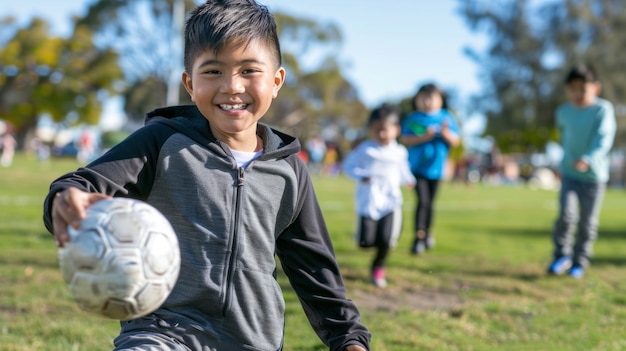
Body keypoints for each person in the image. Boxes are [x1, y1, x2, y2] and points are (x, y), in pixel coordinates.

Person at [42, 1, 370, 350]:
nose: (231, 86)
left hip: (252, 342)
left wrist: (349, 339)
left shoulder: (289, 171)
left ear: (276, 81)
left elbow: (314, 271)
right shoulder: (162, 142)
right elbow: (80, 186)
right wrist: (67, 201)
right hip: (162, 331)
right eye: (213, 71)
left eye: (248, 71)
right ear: (189, 83)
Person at [547, 63, 616, 279]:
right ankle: (561, 256)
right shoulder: (563, 112)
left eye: (582, 88)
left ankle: (579, 262)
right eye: (573, 88)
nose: (577, 93)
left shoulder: (602, 110)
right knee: (565, 216)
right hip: (569, 173)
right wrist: (565, 160)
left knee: (587, 223)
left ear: (595, 87)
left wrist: (588, 158)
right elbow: (562, 137)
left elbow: (603, 139)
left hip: (594, 177)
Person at [343, 104, 415, 288]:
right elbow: (348, 166)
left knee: (387, 240)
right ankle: (362, 236)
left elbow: (403, 168)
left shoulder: (399, 152)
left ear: (396, 130)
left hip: (391, 201)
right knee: (365, 243)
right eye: (376, 130)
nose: (381, 134)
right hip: (369, 200)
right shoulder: (366, 149)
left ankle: (378, 269)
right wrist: (362, 176)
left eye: (385, 130)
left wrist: (409, 180)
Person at [399, 83, 460, 255]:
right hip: (416, 168)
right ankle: (418, 238)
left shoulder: (446, 117)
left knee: (430, 203)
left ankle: (427, 234)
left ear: (441, 100)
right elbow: (404, 139)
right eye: (423, 97)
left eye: (431, 97)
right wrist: (425, 137)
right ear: (417, 100)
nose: (427, 101)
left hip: (437, 169)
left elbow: (456, 141)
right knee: (423, 202)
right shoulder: (413, 119)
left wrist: (445, 133)